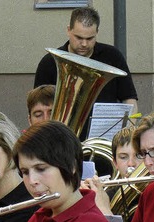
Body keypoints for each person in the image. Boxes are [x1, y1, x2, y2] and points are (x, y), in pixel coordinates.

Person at [34, 7, 138, 139]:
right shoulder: (50, 62)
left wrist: (128, 134)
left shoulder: (112, 56)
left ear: (97, 32)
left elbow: (129, 99)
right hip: (61, 140)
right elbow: (38, 106)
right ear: (68, 30)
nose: (84, 44)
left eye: (90, 38)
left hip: (105, 140)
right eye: (78, 37)